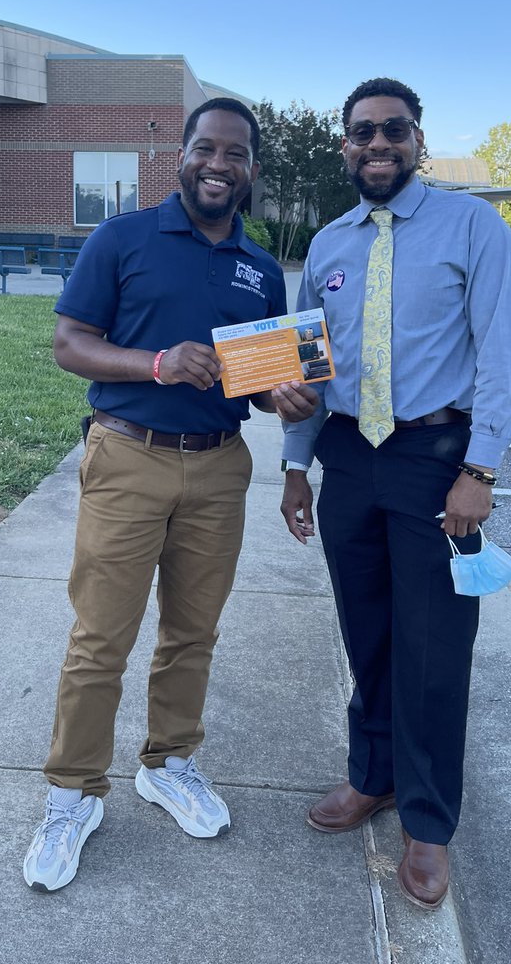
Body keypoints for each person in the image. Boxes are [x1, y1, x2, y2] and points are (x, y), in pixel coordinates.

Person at [23, 97, 318, 892]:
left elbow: (256, 384)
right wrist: (155, 363)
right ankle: (73, 792)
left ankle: (169, 763)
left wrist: (282, 395)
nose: (219, 165)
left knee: (193, 632)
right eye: (206, 149)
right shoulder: (123, 238)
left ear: (252, 170)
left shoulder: (261, 268)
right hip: (129, 456)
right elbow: (69, 344)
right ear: (181, 157)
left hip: (221, 465)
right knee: (101, 637)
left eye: (236, 155)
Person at [280, 78, 511, 910]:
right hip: (350, 459)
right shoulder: (328, 246)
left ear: (418, 139)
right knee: (370, 634)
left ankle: (428, 823)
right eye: (362, 133)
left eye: (394, 131)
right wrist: (293, 468)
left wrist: (480, 470)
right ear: (344, 146)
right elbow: (306, 375)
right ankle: (373, 777)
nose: (377, 145)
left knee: (433, 650)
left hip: (436, 458)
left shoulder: (473, 227)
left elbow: (503, 354)